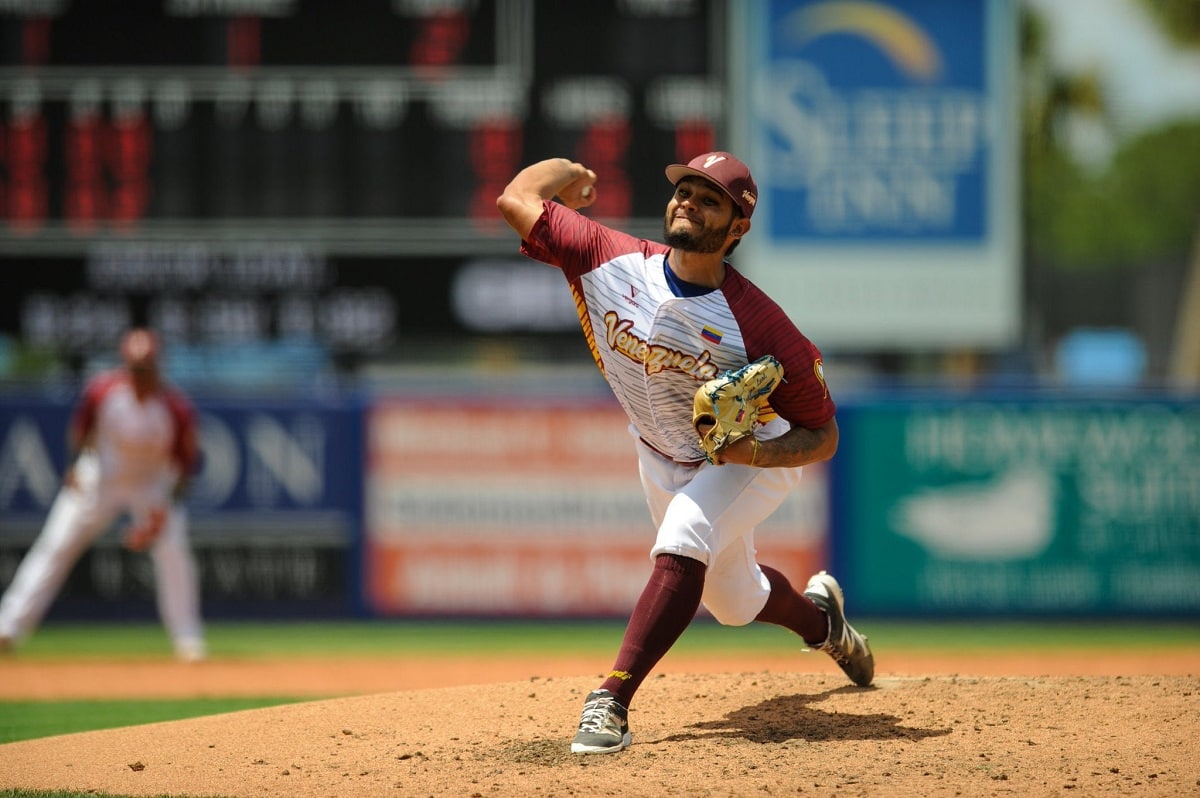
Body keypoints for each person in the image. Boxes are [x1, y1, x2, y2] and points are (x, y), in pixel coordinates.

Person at [496, 152, 874, 754]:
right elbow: (517, 201)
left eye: (709, 199)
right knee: (733, 600)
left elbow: (823, 436)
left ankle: (610, 702)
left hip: (748, 457)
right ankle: (824, 622)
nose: (688, 203)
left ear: (738, 227)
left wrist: (753, 452)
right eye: (685, 190)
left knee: (683, 537)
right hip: (658, 452)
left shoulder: (763, 326)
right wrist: (569, 171)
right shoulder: (607, 257)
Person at [0, 328, 207, 662]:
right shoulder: (103, 391)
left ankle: (188, 638)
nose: (141, 375)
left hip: (150, 486)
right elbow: (80, 432)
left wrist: (163, 510)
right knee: (55, 543)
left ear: (158, 367)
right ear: (125, 366)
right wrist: (73, 467)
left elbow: (185, 466)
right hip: (100, 479)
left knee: (174, 553)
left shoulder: (176, 408)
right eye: (135, 368)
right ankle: (7, 626)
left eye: (147, 367)